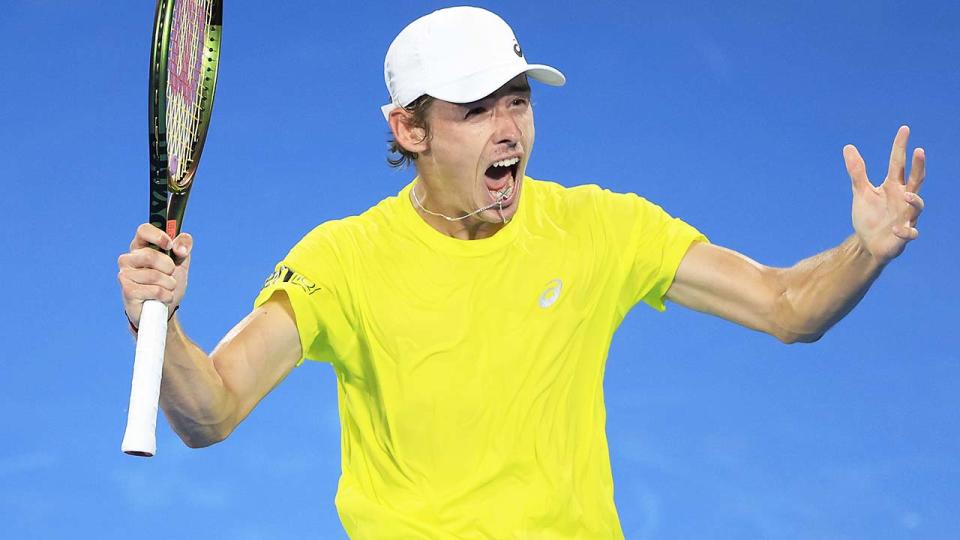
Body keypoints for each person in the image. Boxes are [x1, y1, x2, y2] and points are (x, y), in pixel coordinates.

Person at [117, 6, 926, 538]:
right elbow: (212, 412)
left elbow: (787, 307)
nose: (509, 131)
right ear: (410, 128)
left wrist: (865, 250)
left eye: (518, 102)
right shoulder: (342, 262)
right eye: (476, 111)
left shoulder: (600, 228)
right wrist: (163, 323)